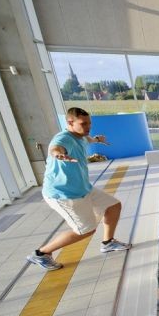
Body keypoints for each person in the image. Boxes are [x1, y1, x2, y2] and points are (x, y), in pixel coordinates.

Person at [26, 107, 131, 271]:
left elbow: (87, 139)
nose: (88, 127)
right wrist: (58, 154)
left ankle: (108, 243)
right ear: (70, 122)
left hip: (83, 188)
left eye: (89, 123)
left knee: (113, 206)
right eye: (83, 124)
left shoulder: (80, 136)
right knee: (85, 231)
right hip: (63, 194)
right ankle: (41, 254)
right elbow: (56, 147)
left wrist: (96, 139)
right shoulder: (63, 139)